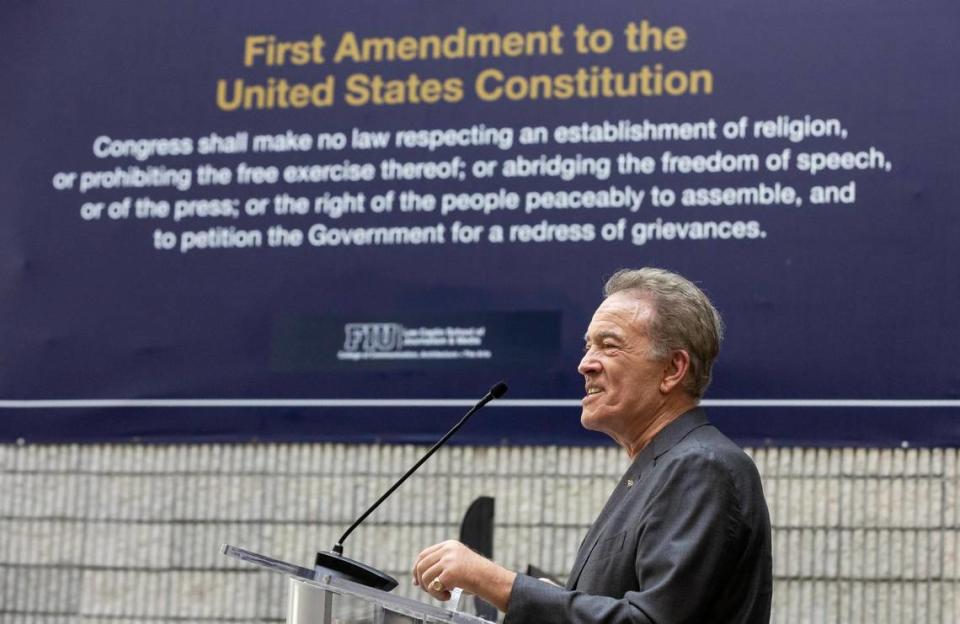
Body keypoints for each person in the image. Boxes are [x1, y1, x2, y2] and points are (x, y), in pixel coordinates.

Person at [412, 267, 772, 623]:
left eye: (609, 345)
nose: (585, 364)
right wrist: (549, 598)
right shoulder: (658, 467)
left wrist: (497, 583)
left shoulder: (701, 466)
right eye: (588, 346)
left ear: (673, 369)